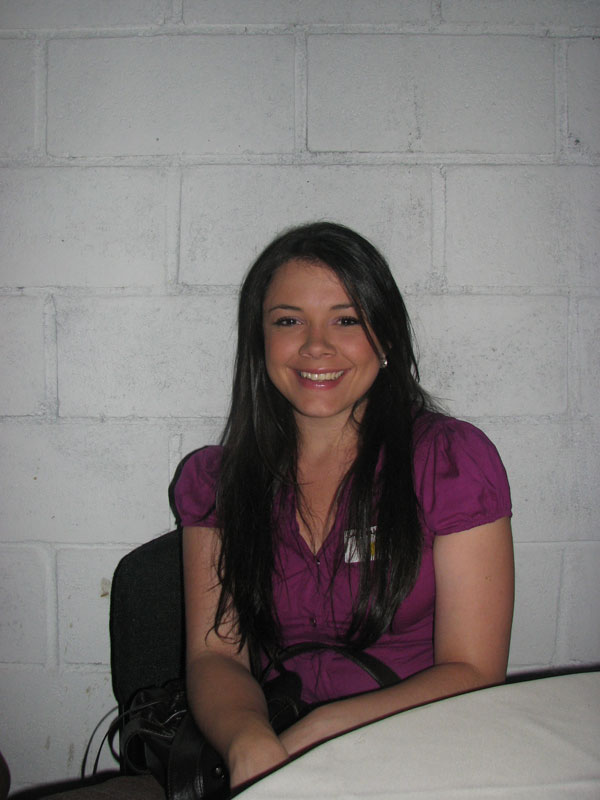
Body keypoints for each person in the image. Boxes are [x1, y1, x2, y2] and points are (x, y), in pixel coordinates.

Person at [174, 221, 514, 790]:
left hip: (425, 749)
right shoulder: (217, 482)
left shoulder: (450, 461)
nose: (316, 346)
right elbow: (216, 657)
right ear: (260, 341)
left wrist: (324, 730)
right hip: (277, 741)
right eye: (288, 321)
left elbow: (474, 670)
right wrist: (249, 742)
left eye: (346, 320)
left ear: (386, 337)